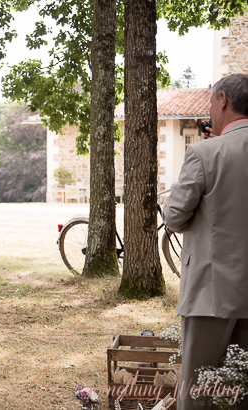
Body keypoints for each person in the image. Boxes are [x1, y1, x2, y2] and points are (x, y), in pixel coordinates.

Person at [162, 73, 248, 410]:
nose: (210, 110)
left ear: (223, 100)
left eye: (211, 102)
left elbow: (174, 217)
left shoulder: (203, 154)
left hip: (212, 293)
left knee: (197, 391)